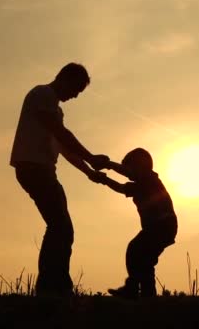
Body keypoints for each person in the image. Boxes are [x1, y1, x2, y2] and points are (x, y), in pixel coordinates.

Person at [9, 63, 109, 297]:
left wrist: (88, 171)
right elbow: (60, 133)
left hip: (42, 170)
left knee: (60, 226)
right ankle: (53, 286)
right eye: (76, 89)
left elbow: (64, 147)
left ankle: (53, 285)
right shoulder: (42, 94)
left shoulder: (55, 109)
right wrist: (92, 157)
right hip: (34, 168)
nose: (75, 96)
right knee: (61, 226)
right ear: (66, 78)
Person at [90, 148, 178, 298]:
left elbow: (122, 184)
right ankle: (147, 294)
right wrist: (105, 175)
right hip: (162, 227)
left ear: (140, 166)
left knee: (135, 250)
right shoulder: (143, 182)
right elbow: (123, 184)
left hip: (160, 226)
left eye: (130, 167)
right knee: (145, 260)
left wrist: (108, 167)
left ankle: (133, 289)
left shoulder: (149, 180)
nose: (128, 172)